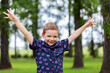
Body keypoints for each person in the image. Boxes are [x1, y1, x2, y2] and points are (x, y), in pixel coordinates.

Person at [4, 9, 96, 73]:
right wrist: (16, 20)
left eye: (55, 36)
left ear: (58, 36)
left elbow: (74, 35)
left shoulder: (61, 45)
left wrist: (86, 25)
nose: (52, 39)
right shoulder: (38, 45)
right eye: (49, 36)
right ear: (43, 35)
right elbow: (26, 34)